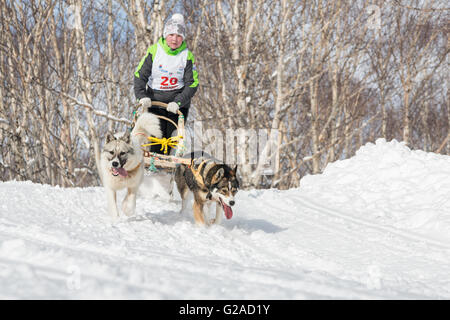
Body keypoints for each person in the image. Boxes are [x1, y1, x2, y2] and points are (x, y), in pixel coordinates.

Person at [134, 13, 199, 155]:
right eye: (171, 35)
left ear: (183, 38)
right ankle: (152, 167)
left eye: (179, 36)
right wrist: (141, 96)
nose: (175, 39)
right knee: (155, 137)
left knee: (171, 139)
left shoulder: (187, 56)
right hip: (155, 101)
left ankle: (169, 170)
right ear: (165, 35)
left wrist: (179, 102)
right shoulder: (154, 50)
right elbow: (140, 75)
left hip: (177, 104)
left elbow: (192, 84)